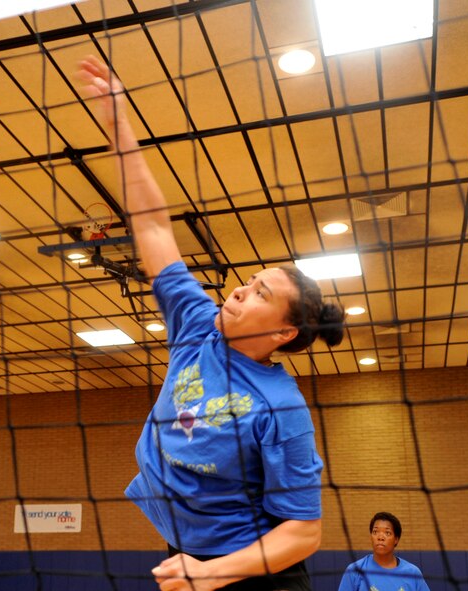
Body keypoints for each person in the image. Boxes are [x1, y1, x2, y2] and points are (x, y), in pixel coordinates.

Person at [77, 57, 345, 591]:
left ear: (283, 333)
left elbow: (303, 533)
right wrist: (118, 124)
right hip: (186, 553)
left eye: (259, 294)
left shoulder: (281, 407)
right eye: (247, 281)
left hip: (253, 572)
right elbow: (152, 226)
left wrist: (211, 574)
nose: (239, 290)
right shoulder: (198, 325)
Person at [338, 512, 430, 591]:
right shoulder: (354, 570)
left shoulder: (413, 573)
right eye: (375, 532)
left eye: (387, 533)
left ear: (396, 539)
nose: (380, 537)